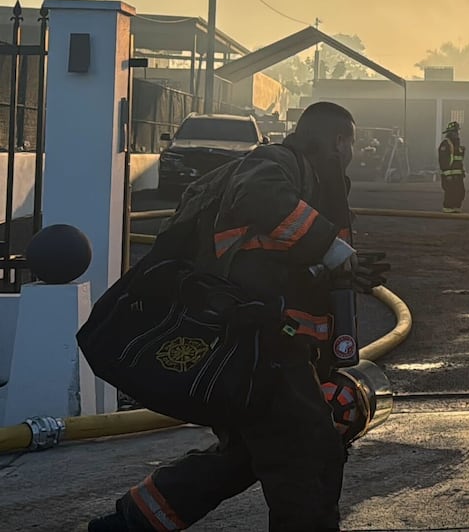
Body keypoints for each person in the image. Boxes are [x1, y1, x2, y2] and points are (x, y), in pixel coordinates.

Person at [89, 101, 388, 532]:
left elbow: (277, 261)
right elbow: (260, 196)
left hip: (271, 350)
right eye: (351, 144)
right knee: (308, 457)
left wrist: (338, 273)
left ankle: (129, 524)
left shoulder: (314, 183)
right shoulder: (274, 162)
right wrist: (330, 248)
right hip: (263, 349)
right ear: (339, 141)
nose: (352, 154)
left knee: (242, 459)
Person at [438, 120, 466, 213]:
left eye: (457, 131)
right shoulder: (446, 144)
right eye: (455, 132)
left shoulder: (456, 144)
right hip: (449, 175)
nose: (457, 134)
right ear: (450, 133)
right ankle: (448, 209)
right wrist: (448, 175)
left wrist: (462, 171)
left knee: (460, 192)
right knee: (450, 193)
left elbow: (458, 160)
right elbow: (443, 161)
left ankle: (456, 207)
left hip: (458, 175)